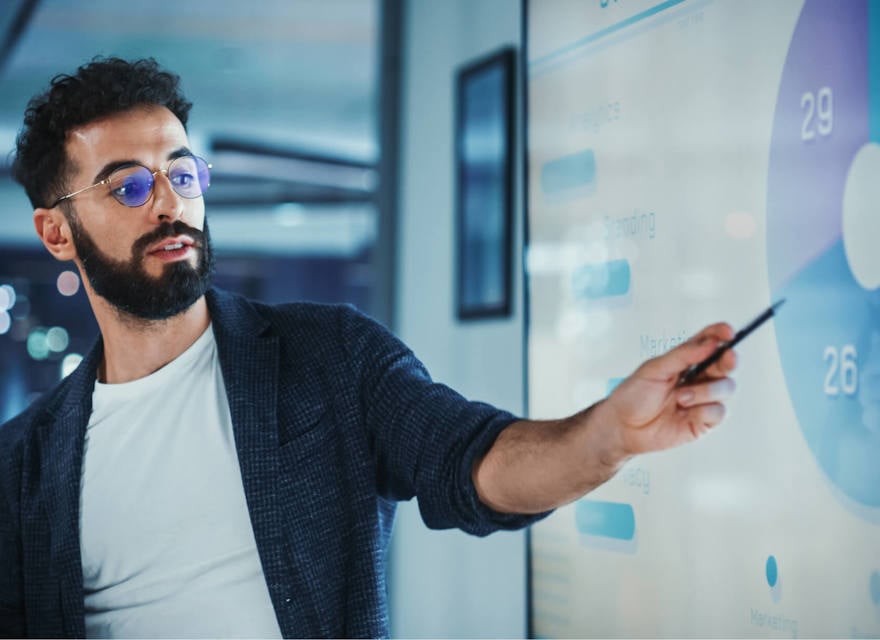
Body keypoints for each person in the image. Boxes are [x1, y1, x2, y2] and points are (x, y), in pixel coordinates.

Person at [0, 57, 737, 638]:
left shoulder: (329, 357)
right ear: (56, 233)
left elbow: (471, 460)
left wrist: (605, 437)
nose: (170, 203)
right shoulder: (23, 468)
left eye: (183, 175)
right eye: (128, 187)